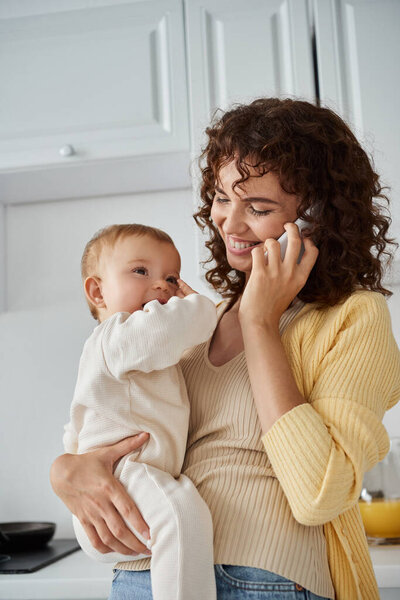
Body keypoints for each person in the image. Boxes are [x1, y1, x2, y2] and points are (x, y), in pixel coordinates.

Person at [50, 98, 400, 600]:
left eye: (257, 208)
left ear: (319, 217)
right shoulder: (193, 323)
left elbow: (318, 494)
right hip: (142, 573)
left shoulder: (352, 317)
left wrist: (260, 320)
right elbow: (115, 412)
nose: (229, 224)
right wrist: (65, 469)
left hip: (264, 580)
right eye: (220, 198)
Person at [62, 223, 217, 600]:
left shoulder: (121, 351)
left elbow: (75, 426)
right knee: (183, 514)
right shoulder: (120, 334)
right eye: (140, 271)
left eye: (172, 277)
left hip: (117, 493)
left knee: (179, 514)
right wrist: (196, 302)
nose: (162, 286)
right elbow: (193, 321)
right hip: (127, 478)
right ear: (98, 291)